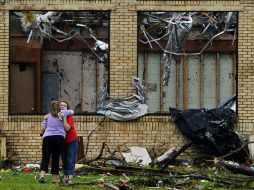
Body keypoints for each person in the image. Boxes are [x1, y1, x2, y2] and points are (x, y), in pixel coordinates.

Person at [39, 101, 74, 184]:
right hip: (59, 138)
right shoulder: (63, 113)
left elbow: (43, 128)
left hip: (47, 138)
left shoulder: (48, 116)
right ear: (58, 107)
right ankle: (54, 180)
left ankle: (42, 176)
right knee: (56, 159)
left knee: (45, 158)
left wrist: (42, 132)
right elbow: (72, 111)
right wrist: (64, 112)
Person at [59, 100, 78, 184]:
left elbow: (67, 128)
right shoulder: (56, 117)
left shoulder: (70, 117)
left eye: (64, 106)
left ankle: (70, 178)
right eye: (61, 105)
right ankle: (65, 177)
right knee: (64, 159)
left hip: (71, 140)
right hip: (62, 141)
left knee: (71, 159)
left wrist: (64, 118)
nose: (62, 106)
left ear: (67, 108)